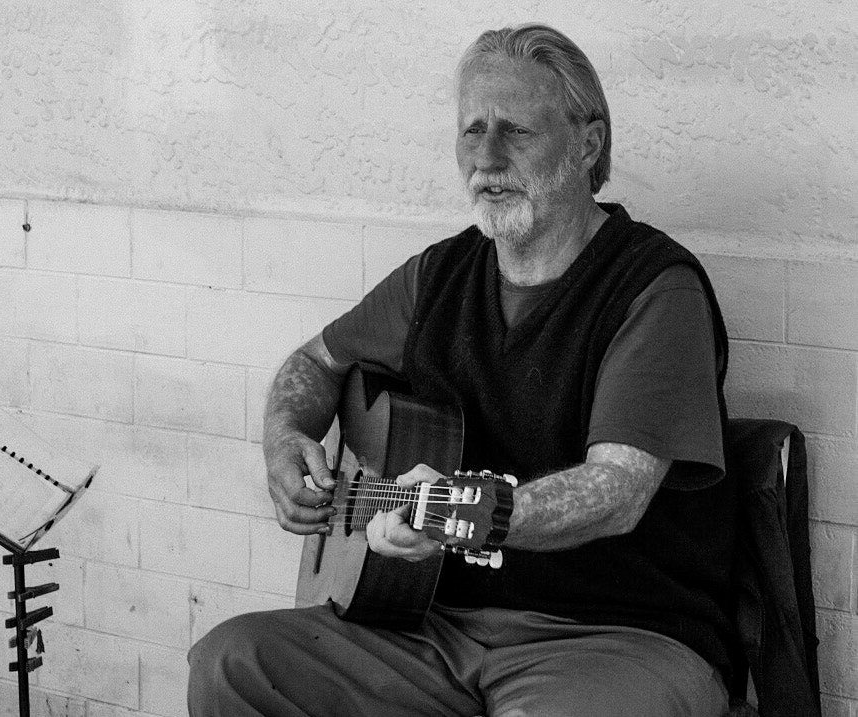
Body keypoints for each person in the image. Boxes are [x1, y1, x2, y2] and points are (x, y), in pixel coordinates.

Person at [188, 23, 736, 717]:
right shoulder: (436, 276)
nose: (486, 157)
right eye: (470, 131)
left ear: (587, 142)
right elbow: (316, 361)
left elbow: (615, 489)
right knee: (230, 662)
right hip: (431, 630)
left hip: (615, 637)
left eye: (516, 131)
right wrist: (284, 435)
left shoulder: (654, 288)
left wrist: (451, 513)